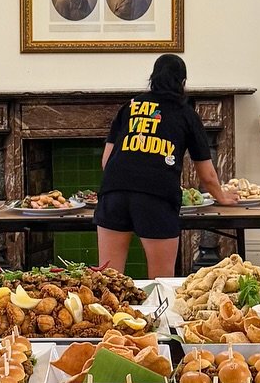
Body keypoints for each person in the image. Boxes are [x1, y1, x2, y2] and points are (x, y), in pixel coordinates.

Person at [95, 54, 237, 278]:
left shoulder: (130, 107)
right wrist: (222, 197)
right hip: (156, 196)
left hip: (114, 192)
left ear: (153, 79)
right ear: (183, 83)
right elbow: (207, 175)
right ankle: (158, 314)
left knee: (110, 278)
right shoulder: (187, 115)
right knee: (161, 282)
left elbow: (106, 161)